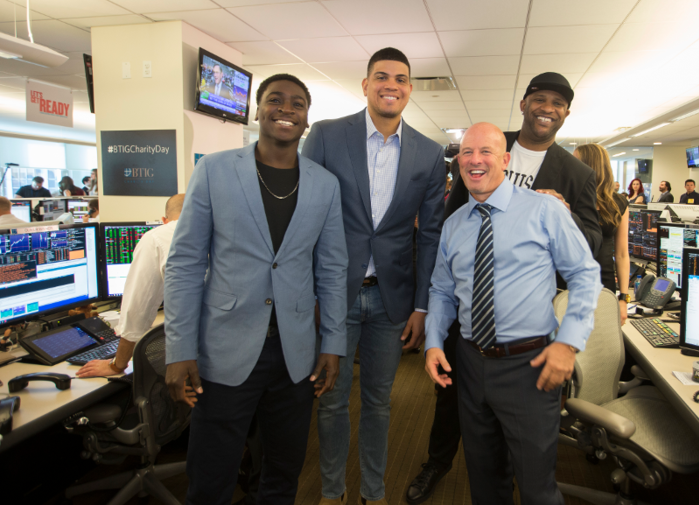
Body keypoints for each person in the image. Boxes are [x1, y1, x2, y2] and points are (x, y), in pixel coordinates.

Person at [406, 72, 601, 505]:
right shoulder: (454, 225)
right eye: (467, 152)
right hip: (470, 365)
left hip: (529, 366)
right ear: (459, 163)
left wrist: (568, 344)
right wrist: (435, 342)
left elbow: (587, 274)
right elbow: (441, 290)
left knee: (536, 488)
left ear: (506, 159)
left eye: (487, 152)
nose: (476, 160)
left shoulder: (546, 211)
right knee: (485, 481)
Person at [164, 74, 348, 505]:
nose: (286, 109)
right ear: (257, 110)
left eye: (297, 103)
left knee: (283, 474)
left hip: (295, 354)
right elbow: (185, 263)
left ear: (307, 119)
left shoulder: (325, 184)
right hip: (224, 348)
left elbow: (333, 269)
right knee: (211, 477)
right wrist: (179, 349)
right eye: (275, 100)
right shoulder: (214, 169)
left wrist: (333, 344)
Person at [302, 47, 445, 505]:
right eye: (381, 76)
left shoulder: (428, 152)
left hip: (391, 300)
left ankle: (373, 492)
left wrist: (422, 306)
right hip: (333, 296)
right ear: (365, 85)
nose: (391, 85)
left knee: (381, 403)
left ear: (409, 89)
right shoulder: (325, 136)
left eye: (401, 78)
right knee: (331, 401)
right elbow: (304, 219)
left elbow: (431, 237)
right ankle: (330, 492)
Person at [77, 194, 185, 378]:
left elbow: (137, 311)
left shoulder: (157, 237)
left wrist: (117, 365)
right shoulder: (224, 235)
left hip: (191, 360)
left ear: (164, 221)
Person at [574, 144, 630, 324]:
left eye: (576, 162)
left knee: (601, 346)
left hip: (604, 285)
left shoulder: (618, 202)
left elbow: (621, 254)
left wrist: (623, 297)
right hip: (570, 283)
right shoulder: (570, 197)